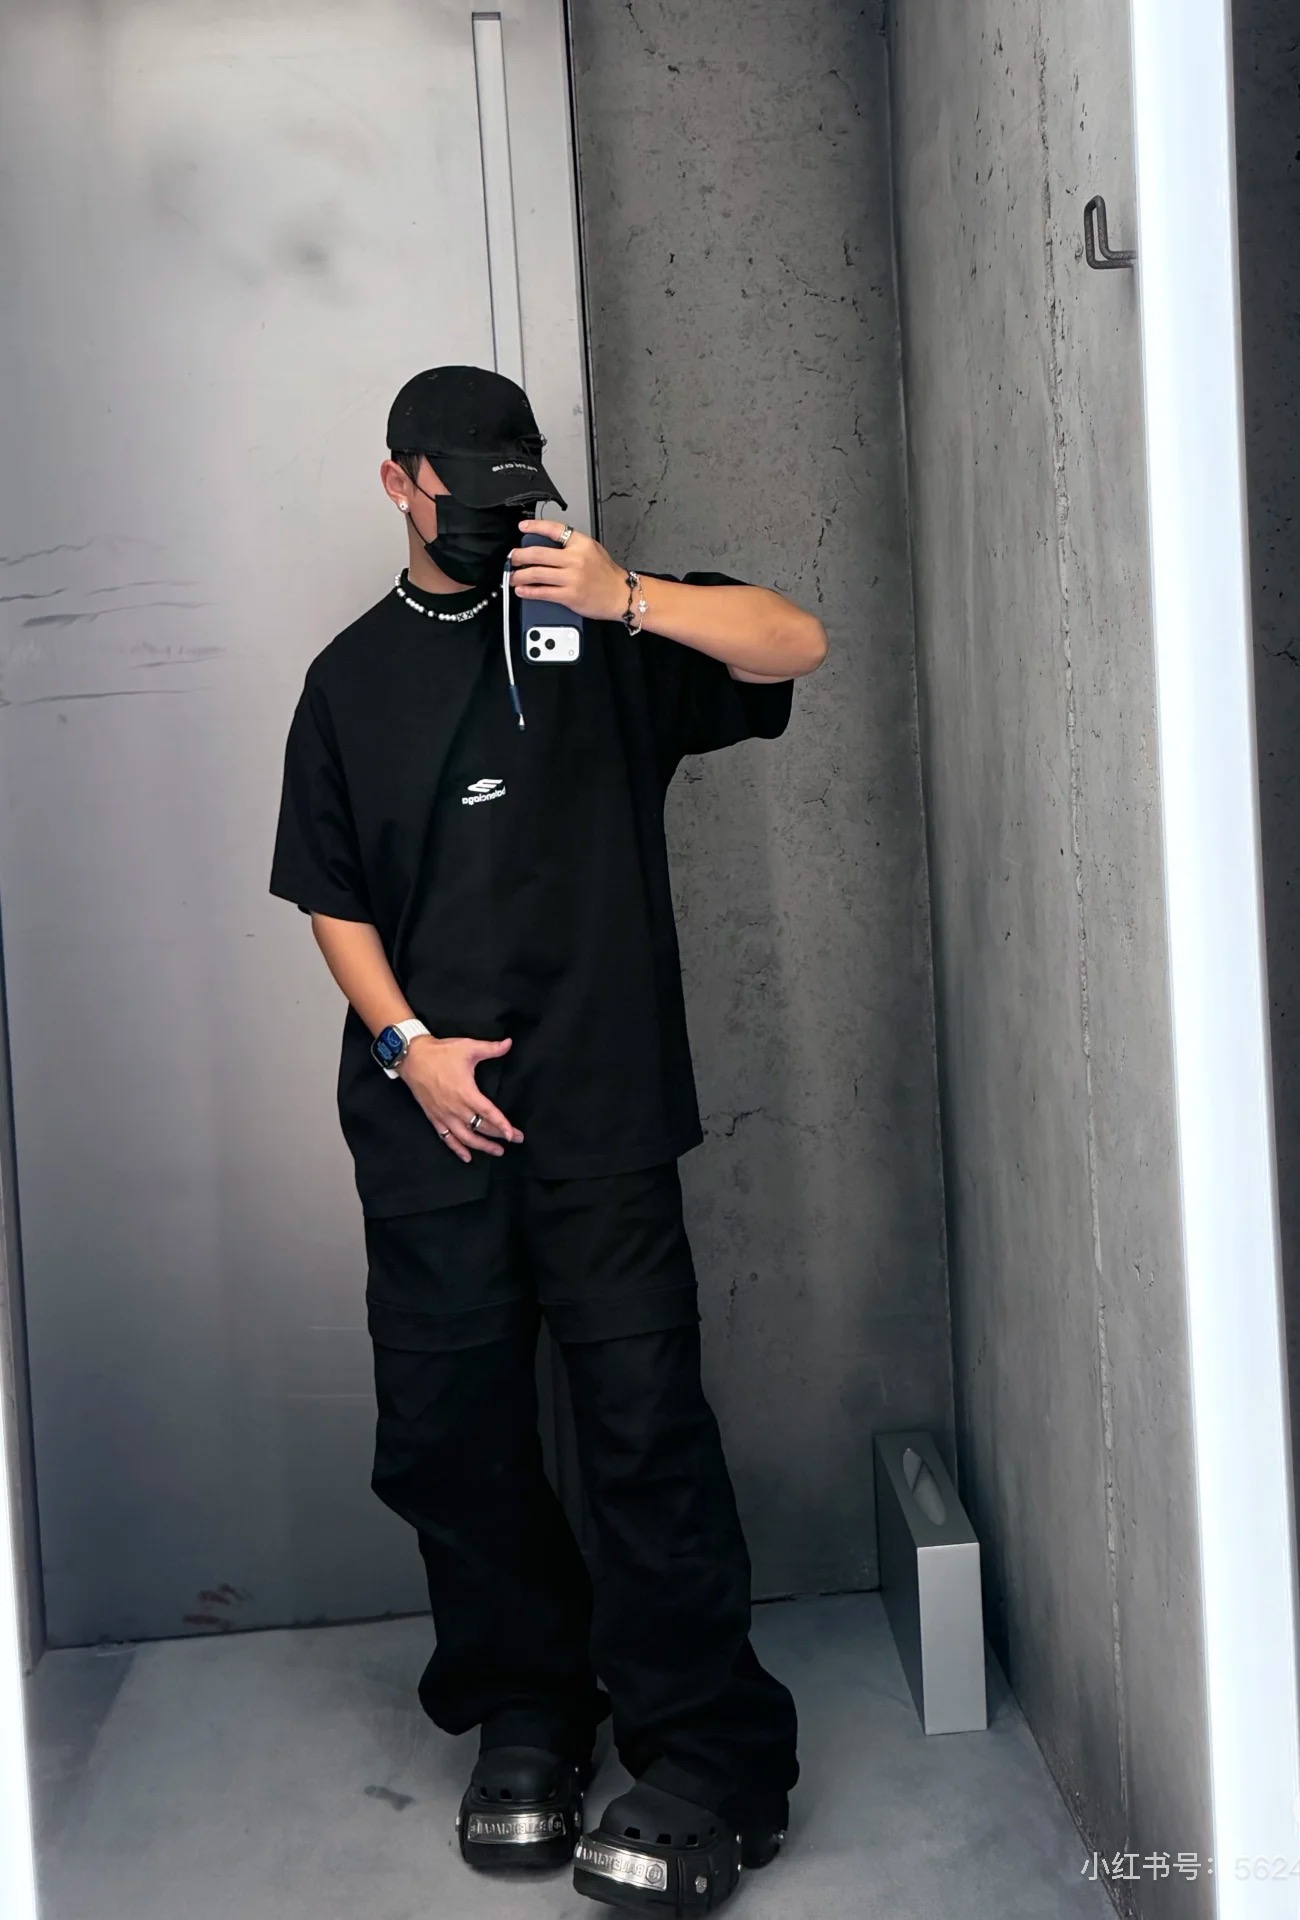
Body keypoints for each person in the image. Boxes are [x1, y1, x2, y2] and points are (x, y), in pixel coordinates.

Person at [268, 365, 828, 1914]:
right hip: (431, 1125)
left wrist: (627, 594)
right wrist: (409, 1049)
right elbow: (331, 894)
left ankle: (711, 1761)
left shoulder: (601, 632)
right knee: (452, 1436)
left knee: (643, 1431)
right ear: (402, 484)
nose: (496, 516)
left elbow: (795, 641)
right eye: (467, 490)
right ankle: (530, 1708)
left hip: (603, 1117)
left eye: (518, 489)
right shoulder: (349, 678)